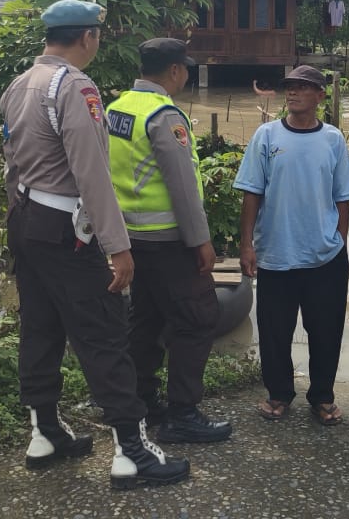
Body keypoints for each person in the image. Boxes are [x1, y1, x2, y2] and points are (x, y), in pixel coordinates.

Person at [0, 0, 190, 489]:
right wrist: (117, 245)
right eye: (98, 36)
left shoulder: (21, 84)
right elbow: (92, 173)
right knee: (103, 333)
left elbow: (11, 164)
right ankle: (131, 450)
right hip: (66, 230)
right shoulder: (74, 86)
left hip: (26, 220)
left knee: (40, 327)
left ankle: (44, 432)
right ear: (88, 37)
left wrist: (19, 222)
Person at [106, 38, 232, 445]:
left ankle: (140, 399)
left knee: (146, 319)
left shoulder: (116, 108)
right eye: (185, 70)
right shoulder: (164, 116)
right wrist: (201, 242)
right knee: (197, 319)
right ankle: (182, 412)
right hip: (167, 239)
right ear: (175, 71)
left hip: (130, 237)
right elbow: (181, 186)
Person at [235, 65, 349, 426]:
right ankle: (278, 394)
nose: (293, 93)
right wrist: (247, 245)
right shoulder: (266, 136)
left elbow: (343, 198)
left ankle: (322, 396)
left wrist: (338, 241)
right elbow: (252, 194)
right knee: (275, 330)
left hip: (325, 256)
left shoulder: (333, 139)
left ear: (320, 96)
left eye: (304, 88)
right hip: (276, 252)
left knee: (326, 329)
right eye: (290, 87)